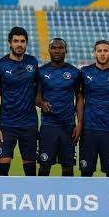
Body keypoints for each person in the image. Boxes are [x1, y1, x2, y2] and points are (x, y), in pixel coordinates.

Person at [0, 27, 40, 176]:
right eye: (16, 41)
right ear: (9, 43)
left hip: (29, 124)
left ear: (26, 43)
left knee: (30, 169)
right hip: (7, 124)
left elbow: (38, 89)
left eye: (22, 41)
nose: (19, 44)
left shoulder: (33, 62)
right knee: (3, 166)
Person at [36, 38, 83, 176]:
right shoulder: (41, 72)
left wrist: (80, 124)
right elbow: (36, 97)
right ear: (49, 50)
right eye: (54, 48)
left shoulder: (74, 72)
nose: (57, 50)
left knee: (68, 167)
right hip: (48, 126)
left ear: (65, 50)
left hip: (68, 127)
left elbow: (79, 98)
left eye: (60, 48)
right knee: (44, 167)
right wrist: (42, 103)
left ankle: (67, 191)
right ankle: (41, 191)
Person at [78, 40, 109, 177]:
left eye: (105, 50)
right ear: (94, 53)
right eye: (99, 51)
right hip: (88, 131)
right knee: (86, 174)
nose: (102, 54)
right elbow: (79, 99)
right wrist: (79, 124)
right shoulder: (84, 72)